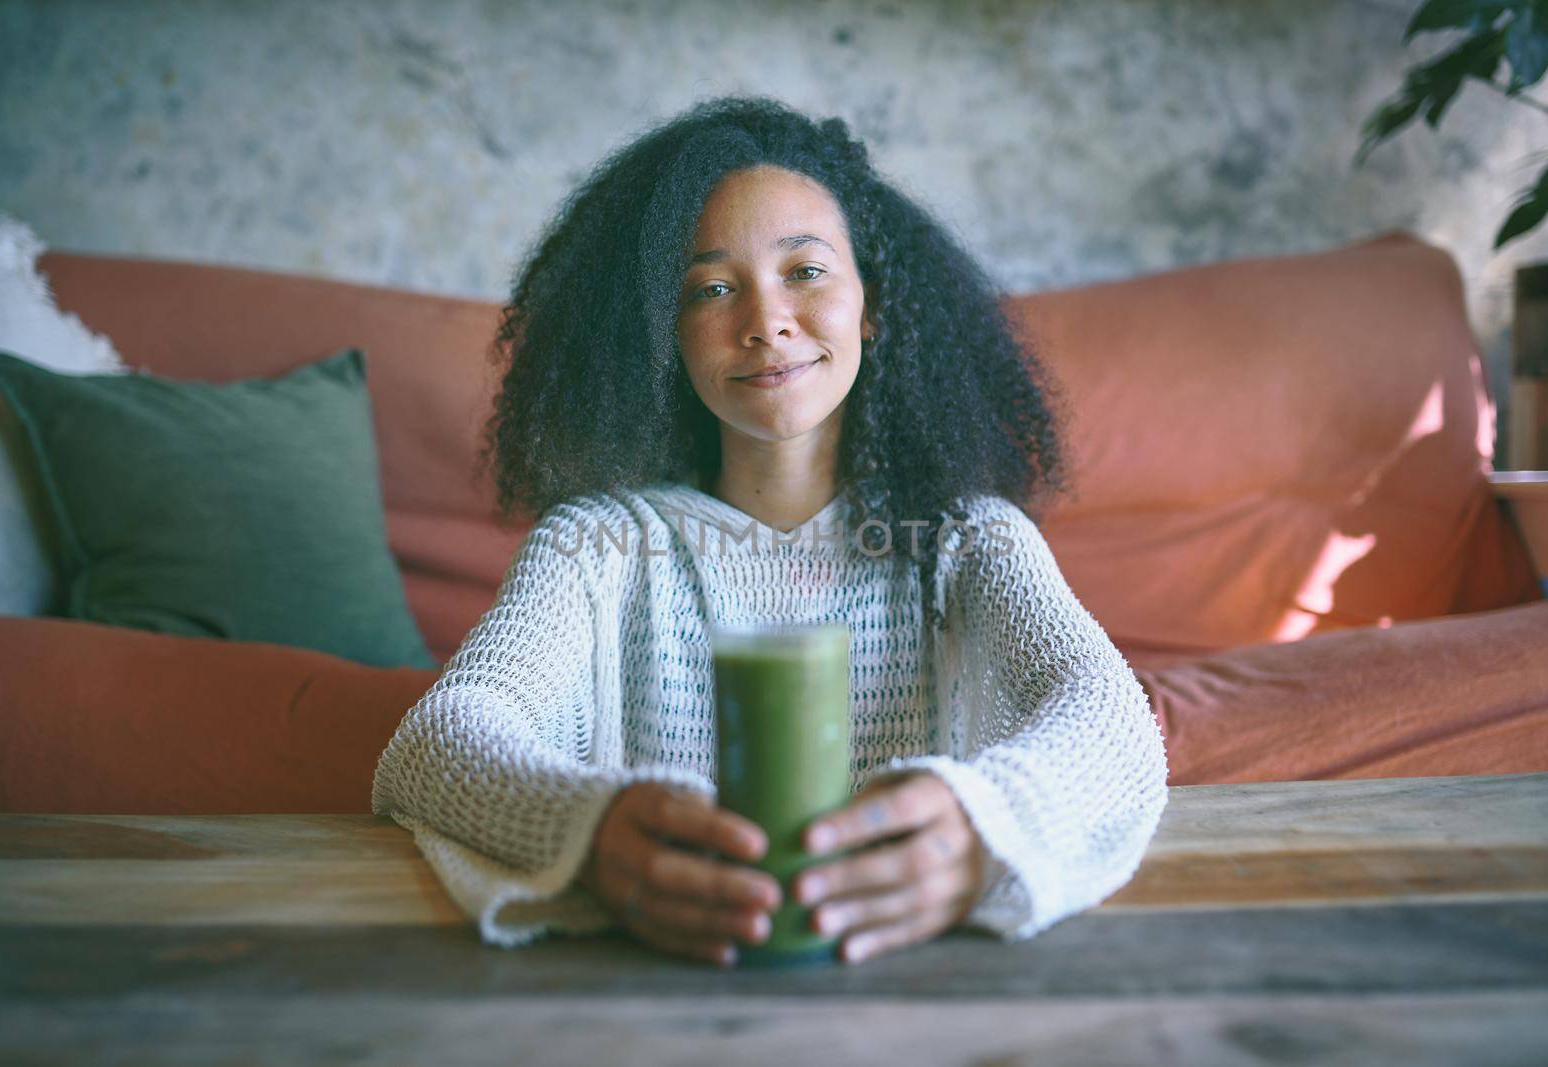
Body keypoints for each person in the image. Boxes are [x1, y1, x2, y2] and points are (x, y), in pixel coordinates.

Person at [371, 95, 1169, 968]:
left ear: (872, 302)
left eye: (806, 270)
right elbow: (439, 737)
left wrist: (985, 823)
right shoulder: (594, 548)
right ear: (664, 337)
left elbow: (1112, 717)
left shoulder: (969, 539)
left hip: (917, 987)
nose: (765, 321)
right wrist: (588, 830)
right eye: (711, 288)